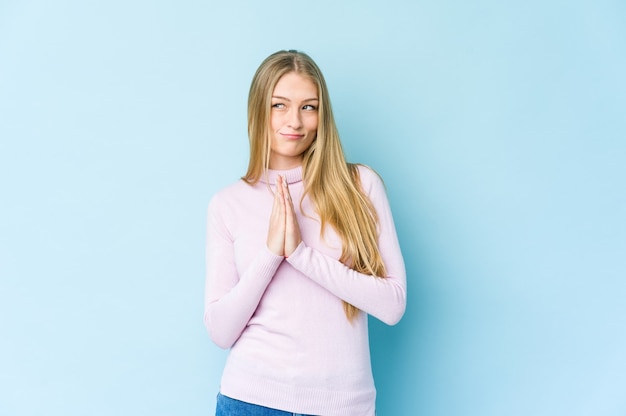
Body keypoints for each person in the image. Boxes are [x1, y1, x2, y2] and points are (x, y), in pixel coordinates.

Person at [204, 50, 407, 416]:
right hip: (250, 401)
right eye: (279, 105)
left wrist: (300, 255)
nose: (294, 121)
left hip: (343, 406)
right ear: (258, 111)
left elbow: (392, 304)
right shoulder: (227, 203)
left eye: (308, 107)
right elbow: (220, 331)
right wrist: (270, 254)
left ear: (321, 115)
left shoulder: (359, 185)